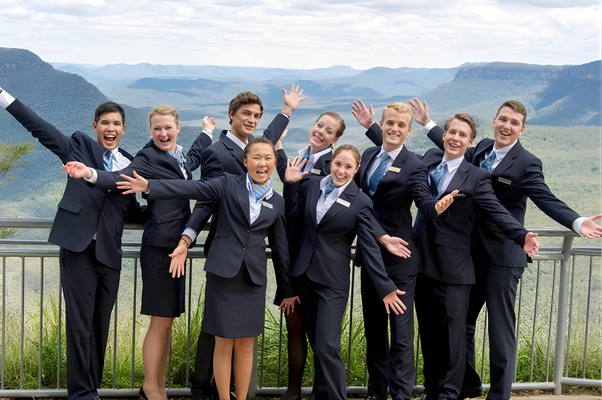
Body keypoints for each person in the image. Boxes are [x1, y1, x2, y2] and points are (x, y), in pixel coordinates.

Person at [407, 98, 601, 400]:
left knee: (499, 329)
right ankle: (466, 385)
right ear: (494, 121)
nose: (507, 126)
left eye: (514, 123)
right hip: (468, 255)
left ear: (522, 129)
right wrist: (426, 123)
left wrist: (576, 221)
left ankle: (499, 395)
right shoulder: (482, 148)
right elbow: (454, 147)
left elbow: (545, 198)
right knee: (460, 325)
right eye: (503, 119)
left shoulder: (527, 162)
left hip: (503, 255)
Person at [115, 137, 298, 400]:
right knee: (223, 342)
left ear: (274, 162)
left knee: (246, 344)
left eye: (268, 158)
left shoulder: (276, 201)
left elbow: (280, 248)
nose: (262, 163)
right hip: (224, 275)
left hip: (253, 280)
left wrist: (287, 289)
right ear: (245, 161)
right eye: (256, 157)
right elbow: (191, 187)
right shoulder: (227, 183)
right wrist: (150, 186)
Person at [0, 85, 147, 400]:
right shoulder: (78, 147)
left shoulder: (131, 163)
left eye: (116, 123)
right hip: (78, 249)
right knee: (80, 324)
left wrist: (173, 217)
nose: (110, 128)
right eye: (105, 122)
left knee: (100, 324)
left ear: (124, 129)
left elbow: (132, 210)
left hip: (110, 253)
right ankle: (81, 394)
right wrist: (3, 95)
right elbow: (38, 127)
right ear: (95, 126)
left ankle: (91, 389)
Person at [62, 105, 213, 400]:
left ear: (178, 128)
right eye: (157, 128)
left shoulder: (179, 155)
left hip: (176, 247)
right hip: (160, 248)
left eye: (168, 127)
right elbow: (118, 178)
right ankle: (152, 388)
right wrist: (89, 173)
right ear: (150, 131)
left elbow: (194, 157)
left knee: (167, 321)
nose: (163, 133)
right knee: (160, 321)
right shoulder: (147, 157)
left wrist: (207, 131)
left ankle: (156, 387)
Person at [283, 144, 457, 400]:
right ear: (331, 163)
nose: (341, 170)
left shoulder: (361, 200)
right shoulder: (312, 186)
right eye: (337, 164)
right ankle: (320, 394)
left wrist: (385, 285)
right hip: (305, 276)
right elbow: (293, 216)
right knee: (317, 345)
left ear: (356, 170)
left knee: (327, 345)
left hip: (332, 281)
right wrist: (290, 185)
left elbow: (369, 247)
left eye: (348, 166)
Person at [169, 86, 305, 400]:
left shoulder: (256, 151)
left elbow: (265, 143)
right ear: (232, 115)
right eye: (246, 114)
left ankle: (229, 391)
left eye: (257, 116)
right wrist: (187, 238)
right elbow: (204, 201)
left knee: (240, 340)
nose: (252, 120)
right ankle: (204, 388)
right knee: (217, 334)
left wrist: (287, 110)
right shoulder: (217, 153)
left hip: (251, 263)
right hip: (225, 250)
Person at [349, 101, 450, 400]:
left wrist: (437, 208)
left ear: (408, 131)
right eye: (390, 123)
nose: (394, 129)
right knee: (374, 330)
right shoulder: (369, 155)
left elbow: (423, 200)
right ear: (381, 125)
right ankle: (376, 393)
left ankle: (401, 395)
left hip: (399, 259)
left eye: (401, 125)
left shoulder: (415, 166)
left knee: (402, 336)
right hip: (370, 255)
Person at [273, 111, 345, 400]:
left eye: (328, 131)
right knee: (295, 326)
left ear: (335, 139)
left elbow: (302, 211)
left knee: (317, 333)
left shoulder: (331, 168)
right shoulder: (302, 158)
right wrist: (278, 147)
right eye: (319, 125)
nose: (320, 132)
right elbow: (287, 176)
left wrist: (291, 185)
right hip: (290, 257)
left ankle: (321, 391)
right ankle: (294, 391)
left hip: (313, 262)